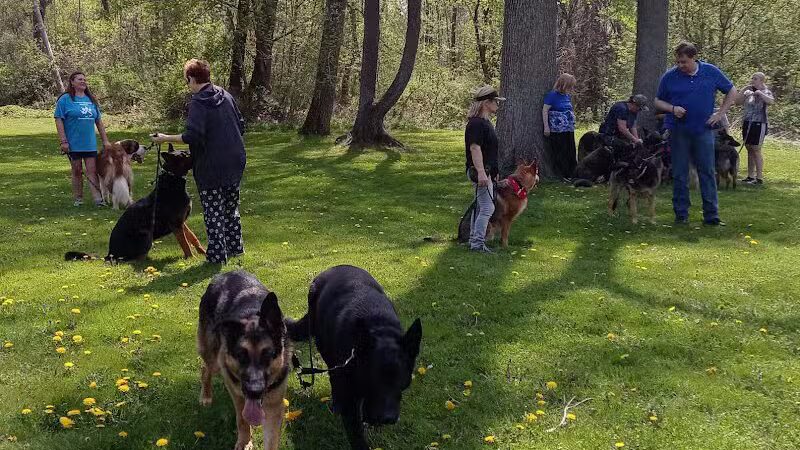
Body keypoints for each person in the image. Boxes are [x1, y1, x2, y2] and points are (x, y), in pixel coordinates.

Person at [152, 59, 247, 264]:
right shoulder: (226, 95)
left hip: (211, 165)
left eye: (186, 80)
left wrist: (165, 138)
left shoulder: (198, 102)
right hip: (235, 159)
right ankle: (235, 248)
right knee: (231, 207)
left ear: (191, 79)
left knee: (213, 211)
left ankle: (217, 256)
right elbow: (241, 125)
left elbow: (192, 136)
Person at [655, 41, 737, 226]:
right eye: (678, 62)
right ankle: (681, 214)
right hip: (678, 131)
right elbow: (657, 101)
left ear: (694, 58)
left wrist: (720, 114)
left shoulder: (710, 72)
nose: (680, 65)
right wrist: (672, 108)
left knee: (707, 171)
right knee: (680, 173)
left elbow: (732, 91)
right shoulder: (670, 77)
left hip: (703, 131)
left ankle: (711, 216)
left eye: (684, 62)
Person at [54, 71, 113, 207]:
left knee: (92, 171)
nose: (83, 81)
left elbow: (99, 122)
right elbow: (58, 120)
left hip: (89, 143)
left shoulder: (91, 100)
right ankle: (78, 199)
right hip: (73, 143)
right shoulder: (65, 99)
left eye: (84, 79)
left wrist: (105, 141)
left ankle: (98, 200)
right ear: (72, 82)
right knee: (77, 170)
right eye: (80, 79)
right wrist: (63, 141)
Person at [465, 85, 504, 253]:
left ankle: (473, 239)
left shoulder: (486, 123)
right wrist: (481, 172)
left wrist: (494, 172)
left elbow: (490, 151)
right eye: (496, 101)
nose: (497, 104)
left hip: (488, 171)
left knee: (481, 206)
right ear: (487, 102)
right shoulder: (476, 124)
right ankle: (477, 243)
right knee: (488, 207)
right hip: (480, 171)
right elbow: (475, 148)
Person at [739, 72, 775, 185]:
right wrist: (744, 90)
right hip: (747, 122)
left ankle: (759, 178)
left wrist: (759, 93)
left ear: (761, 80)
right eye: (752, 78)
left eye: (755, 79)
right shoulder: (749, 91)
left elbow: (771, 101)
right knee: (749, 148)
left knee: (756, 149)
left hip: (759, 123)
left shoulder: (765, 91)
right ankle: (750, 176)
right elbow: (737, 102)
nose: (752, 80)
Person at [542, 73, 577, 179]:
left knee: (570, 150)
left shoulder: (567, 96)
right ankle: (562, 174)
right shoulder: (552, 95)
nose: (571, 89)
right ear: (563, 85)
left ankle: (573, 173)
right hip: (558, 130)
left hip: (568, 128)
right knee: (561, 152)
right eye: (569, 86)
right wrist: (546, 126)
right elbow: (545, 110)